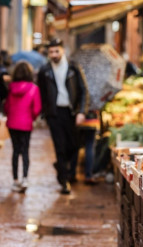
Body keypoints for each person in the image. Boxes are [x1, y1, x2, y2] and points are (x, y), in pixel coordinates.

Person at [38, 38, 89, 194]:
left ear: (63, 50)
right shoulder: (44, 70)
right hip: (54, 113)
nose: (53, 54)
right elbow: (41, 93)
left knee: (74, 145)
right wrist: (44, 113)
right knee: (60, 147)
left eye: (56, 51)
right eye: (50, 52)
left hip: (71, 112)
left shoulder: (73, 68)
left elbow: (83, 91)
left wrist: (81, 111)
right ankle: (64, 180)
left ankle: (61, 166)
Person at [4, 61, 41, 192]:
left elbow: (6, 106)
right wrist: (32, 117)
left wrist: (10, 114)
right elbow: (37, 108)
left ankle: (15, 180)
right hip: (26, 124)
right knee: (25, 151)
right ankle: (25, 178)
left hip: (12, 123)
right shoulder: (33, 88)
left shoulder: (11, 87)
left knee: (15, 151)